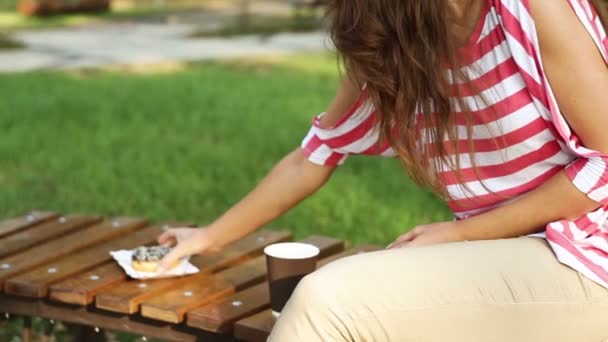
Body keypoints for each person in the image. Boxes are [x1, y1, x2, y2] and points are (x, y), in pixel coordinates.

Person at [157, 0, 608, 340]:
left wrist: (460, 234)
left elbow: (604, 165)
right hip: (503, 260)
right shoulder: (393, 40)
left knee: (328, 302)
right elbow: (313, 155)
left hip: (588, 262)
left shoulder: (529, 12)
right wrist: (206, 238)